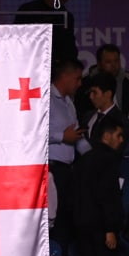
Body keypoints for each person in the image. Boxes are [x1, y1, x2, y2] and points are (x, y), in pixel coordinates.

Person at [71, 116, 126, 256]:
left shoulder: (84, 160)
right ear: (107, 136)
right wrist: (110, 228)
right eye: (118, 135)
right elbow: (106, 195)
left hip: (82, 226)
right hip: (101, 228)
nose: (121, 140)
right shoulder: (108, 160)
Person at [48, 57, 89, 246]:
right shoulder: (45, 98)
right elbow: (33, 131)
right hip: (52, 169)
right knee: (54, 220)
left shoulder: (69, 103)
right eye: (77, 78)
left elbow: (76, 135)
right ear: (65, 76)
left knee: (67, 220)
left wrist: (94, 156)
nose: (80, 84)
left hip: (68, 171)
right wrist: (61, 137)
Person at [16, 0, 78, 65]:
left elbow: (70, 49)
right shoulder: (27, 10)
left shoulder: (66, 17)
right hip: (31, 65)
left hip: (57, 68)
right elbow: (17, 41)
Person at [86, 43, 129, 127]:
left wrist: (124, 130)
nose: (114, 65)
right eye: (108, 62)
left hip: (122, 128)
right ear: (99, 64)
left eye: (116, 61)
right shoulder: (87, 81)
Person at [81, 71, 129, 145]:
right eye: (90, 92)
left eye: (95, 92)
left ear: (108, 94)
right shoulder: (87, 117)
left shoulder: (121, 121)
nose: (91, 96)